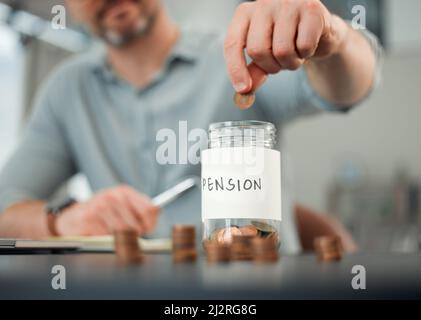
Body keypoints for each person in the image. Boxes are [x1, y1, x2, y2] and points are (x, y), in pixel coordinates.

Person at [0, 0, 380, 254]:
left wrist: (334, 38)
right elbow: (5, 211)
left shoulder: (241, 53)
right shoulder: (68, 89)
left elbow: (347, 91)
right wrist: (64, 220)